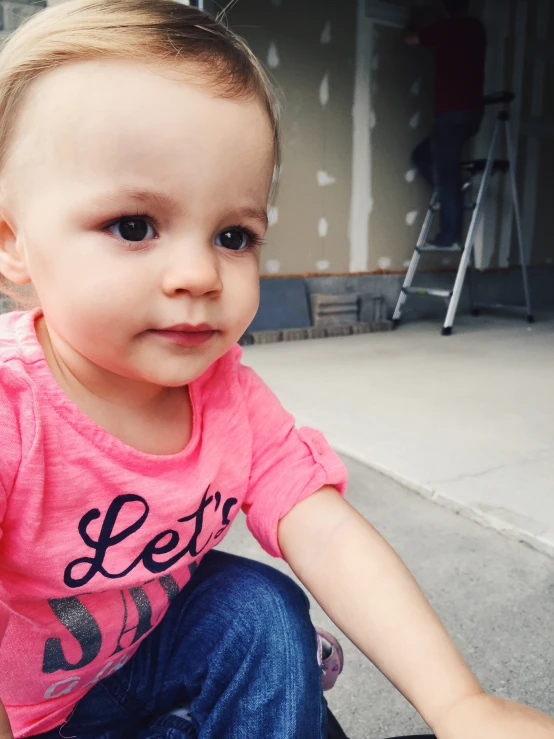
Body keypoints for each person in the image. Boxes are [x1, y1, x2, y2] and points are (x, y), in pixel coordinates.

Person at [0, 2, 552, 738]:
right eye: (134, 226)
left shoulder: (228, 396)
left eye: (234, 234)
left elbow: (326, 536)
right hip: (36, 714)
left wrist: (459, 702)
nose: (198, 273)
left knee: (257, 604)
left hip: (152, 651)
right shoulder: (15, 412)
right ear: (14, 246)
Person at [406, 0, 487, 248]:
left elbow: (409, 39)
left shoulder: (446, 28)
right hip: (472, 116)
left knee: (447, 175)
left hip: (450, 116)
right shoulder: (476, 28)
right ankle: (449, 193)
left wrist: (416, 17)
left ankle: (448, 236)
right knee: (422, 156)